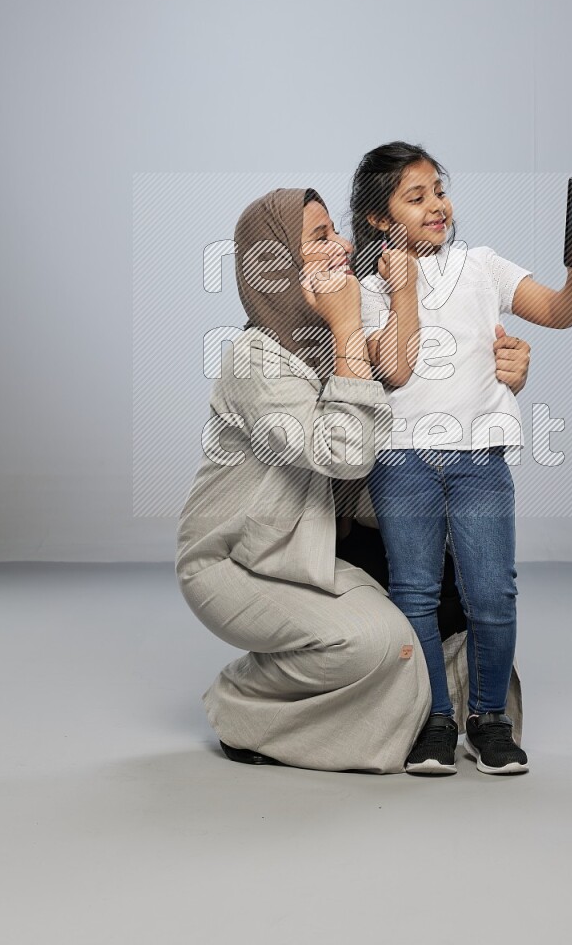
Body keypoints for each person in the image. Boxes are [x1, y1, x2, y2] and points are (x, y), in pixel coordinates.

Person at [175, 186, 530, 773]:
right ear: (278, 265)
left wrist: (499, 380)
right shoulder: (255, 360)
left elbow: (411, 424)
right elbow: (343, 453)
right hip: (240, 561)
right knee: (379, 645)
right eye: (320, 238)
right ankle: (245, 707)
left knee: (458, 624)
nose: (342, 244)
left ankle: (428, 715)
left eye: (335, 231)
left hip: (321, 545)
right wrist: (345, 331)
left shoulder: (349, 341)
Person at [350, 143, 572, 776]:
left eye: (439, 190)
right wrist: (400, 282)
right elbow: (393, 367)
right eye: (416, 198)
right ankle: (435, 717)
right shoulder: (364, 288)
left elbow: (556, 313)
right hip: (402, 460)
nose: (437, 205)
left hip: (478, 460)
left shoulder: (482, 266)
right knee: (416, 593)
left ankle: (489, 718)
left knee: (493, 594)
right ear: (381, 219)